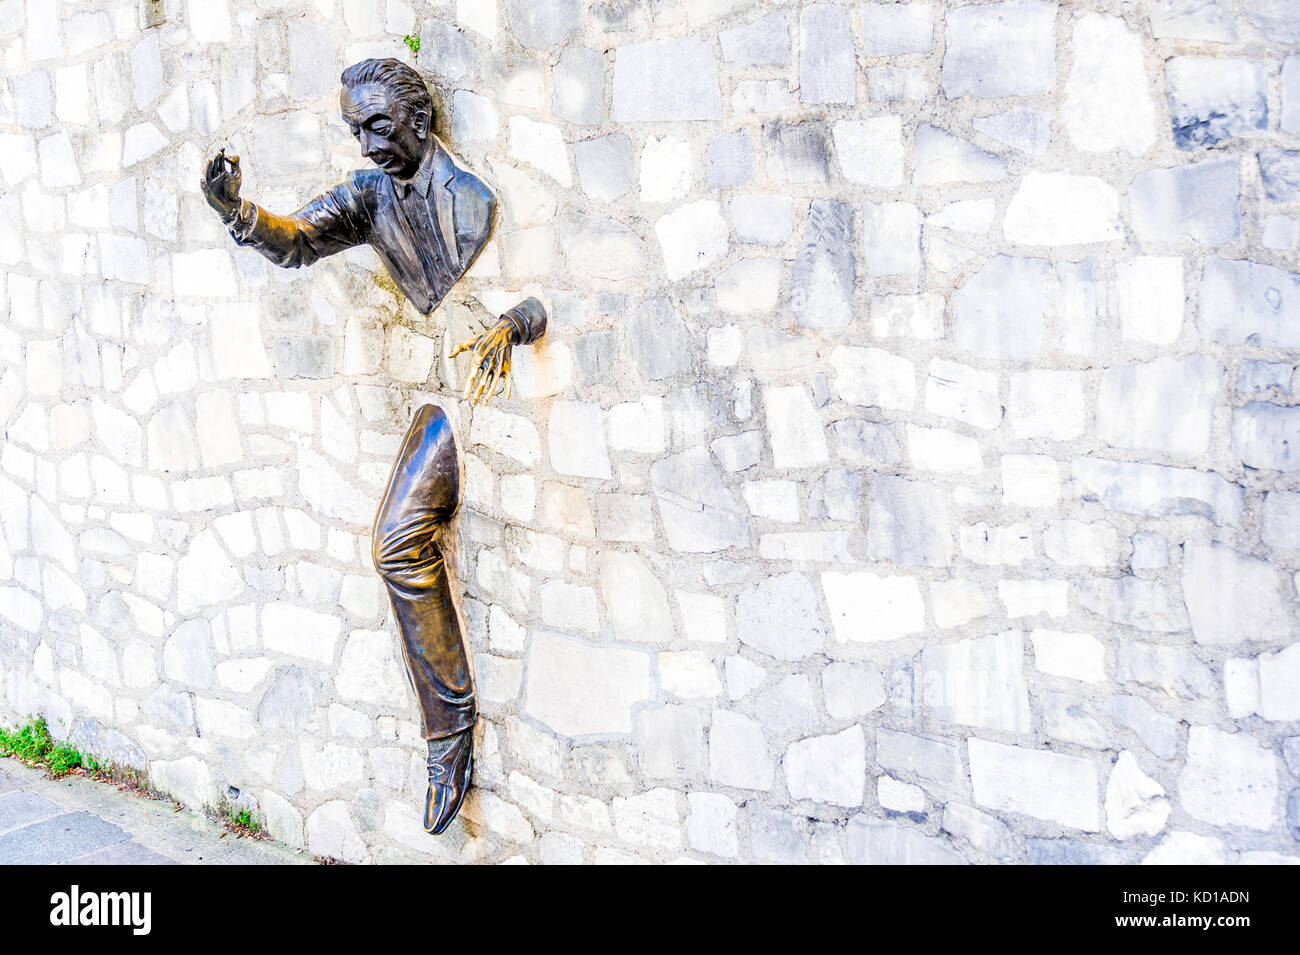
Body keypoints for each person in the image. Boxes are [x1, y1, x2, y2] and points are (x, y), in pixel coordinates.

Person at [200, 57, 545, 834]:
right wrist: (236, 211)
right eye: (355, 131)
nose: (365, 145)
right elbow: (296, 240)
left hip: (488, 401)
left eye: (377, 127)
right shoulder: (367, 196)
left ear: (420, 120)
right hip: (443, 398)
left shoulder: (475, 198)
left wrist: (514, 320)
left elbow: (543, 287)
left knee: (397, 541)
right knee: (395, 541)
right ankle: (450, 731)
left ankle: (450, 736)